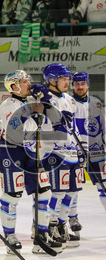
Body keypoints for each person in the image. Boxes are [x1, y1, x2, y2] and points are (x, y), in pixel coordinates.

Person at [0, 71, 58, 252]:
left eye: (28, 80)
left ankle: (41, 236)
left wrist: (46, 101)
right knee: (12, 196)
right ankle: (10, 236)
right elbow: (14, 131)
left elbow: (52, 121)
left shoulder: (31, 101)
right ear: (14, 86)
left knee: (44, 192)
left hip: (32, 151)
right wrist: (36, 110)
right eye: (24, 81)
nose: (28, 83)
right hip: (11, 152)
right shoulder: (7, 105)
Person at [38, 64, 81, 247]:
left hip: (71, 152)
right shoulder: (43, 100)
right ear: (52, 81)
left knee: (72, 191)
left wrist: (79, 149)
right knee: (57, 192)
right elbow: (40, 129)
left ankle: (62, 224)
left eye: (67, 79)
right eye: (64, 79)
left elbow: (73, 129)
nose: (67, 82)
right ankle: (51, 226)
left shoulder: (70, 100)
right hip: (54, 152)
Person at [70, 71, 106, 231]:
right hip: (76, 154)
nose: (80, 87)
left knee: (104, 185)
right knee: (73, 187)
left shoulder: (96, 103)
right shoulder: (69, 103)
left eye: (82, 83)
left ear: (87, 84)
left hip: (97, 153)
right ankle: (72, 218)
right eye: (77, 84)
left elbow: (103, 127)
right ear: (72, 85)